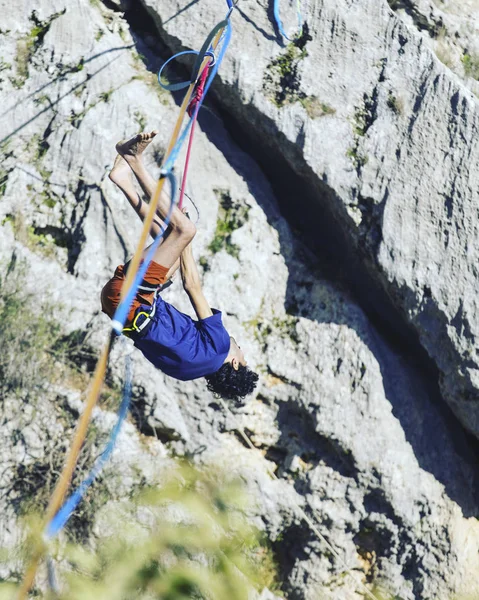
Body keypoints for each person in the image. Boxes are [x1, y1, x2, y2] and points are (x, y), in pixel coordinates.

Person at [101, 131, 258, 403]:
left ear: (234, 364)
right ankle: (123, 181)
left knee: (183, 229)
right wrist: (180, 250)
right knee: (169, 244)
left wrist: (187, 241)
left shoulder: (220, 346)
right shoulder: (185, 373)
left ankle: (134, 160)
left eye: (242, 355)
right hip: (118, 305)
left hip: (133, 297)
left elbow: (193, 287)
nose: (240, 349)